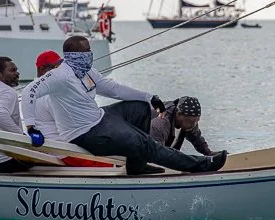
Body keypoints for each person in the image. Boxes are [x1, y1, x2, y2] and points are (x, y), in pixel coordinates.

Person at [23, 35, 227, 175]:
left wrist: (150, 97)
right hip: (84, 133)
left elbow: (114, 89)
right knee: (145, 144)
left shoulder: (87, 71)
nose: (91, 54)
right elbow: (28, 92)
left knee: (140, 108)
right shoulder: (59, 76)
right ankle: (199, 166)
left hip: (100, 119)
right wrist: (31, 127)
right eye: (87, 51)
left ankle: (136, 165)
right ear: (75, 55)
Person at [23, 50, 110, 168]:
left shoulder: (36, 91)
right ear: (42, 69)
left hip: (54, 147)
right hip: (65, 150)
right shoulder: (51, 95)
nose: (61, 69)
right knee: (111, 163)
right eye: (56, 66)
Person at [150, 96, 219, 156]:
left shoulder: (188, 121)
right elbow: (157, 153)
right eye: (190, 121)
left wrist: (208, 153)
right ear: (179, 114)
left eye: (196, 121)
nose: (193, 125)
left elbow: (195, 137)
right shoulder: (160, 123)